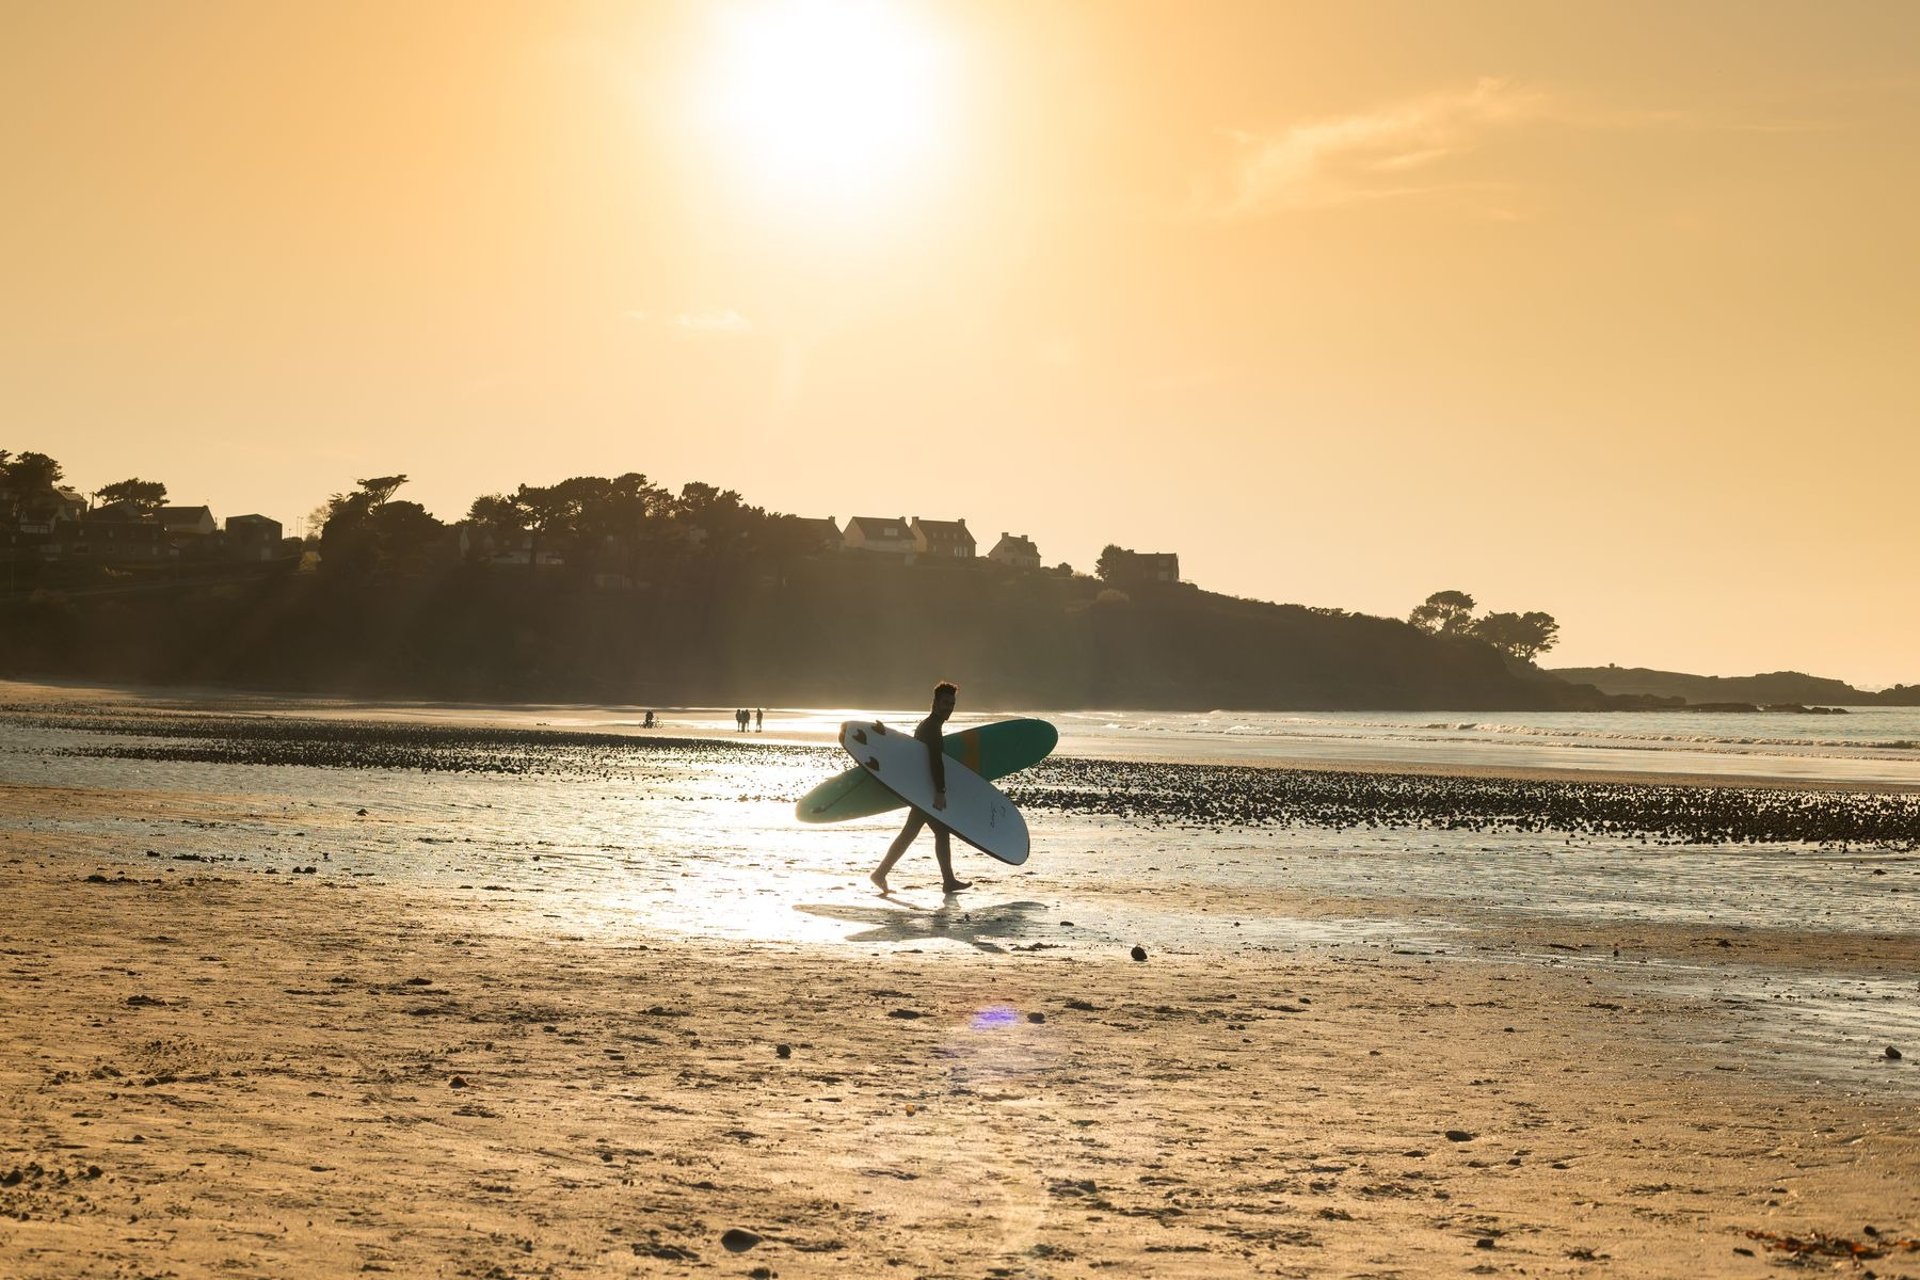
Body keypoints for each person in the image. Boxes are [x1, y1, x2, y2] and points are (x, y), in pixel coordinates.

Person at [870, 681, 969, 895]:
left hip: (921, 791)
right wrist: (940, 791)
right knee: (925, 832)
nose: (949, 707)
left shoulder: (930, 725)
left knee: (927, 832)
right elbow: (934, 761)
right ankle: (881, 873)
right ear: (934, 703)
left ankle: (947, 880)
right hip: (925, 792)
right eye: (945, 703)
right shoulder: (932, 727)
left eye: (952, 703)